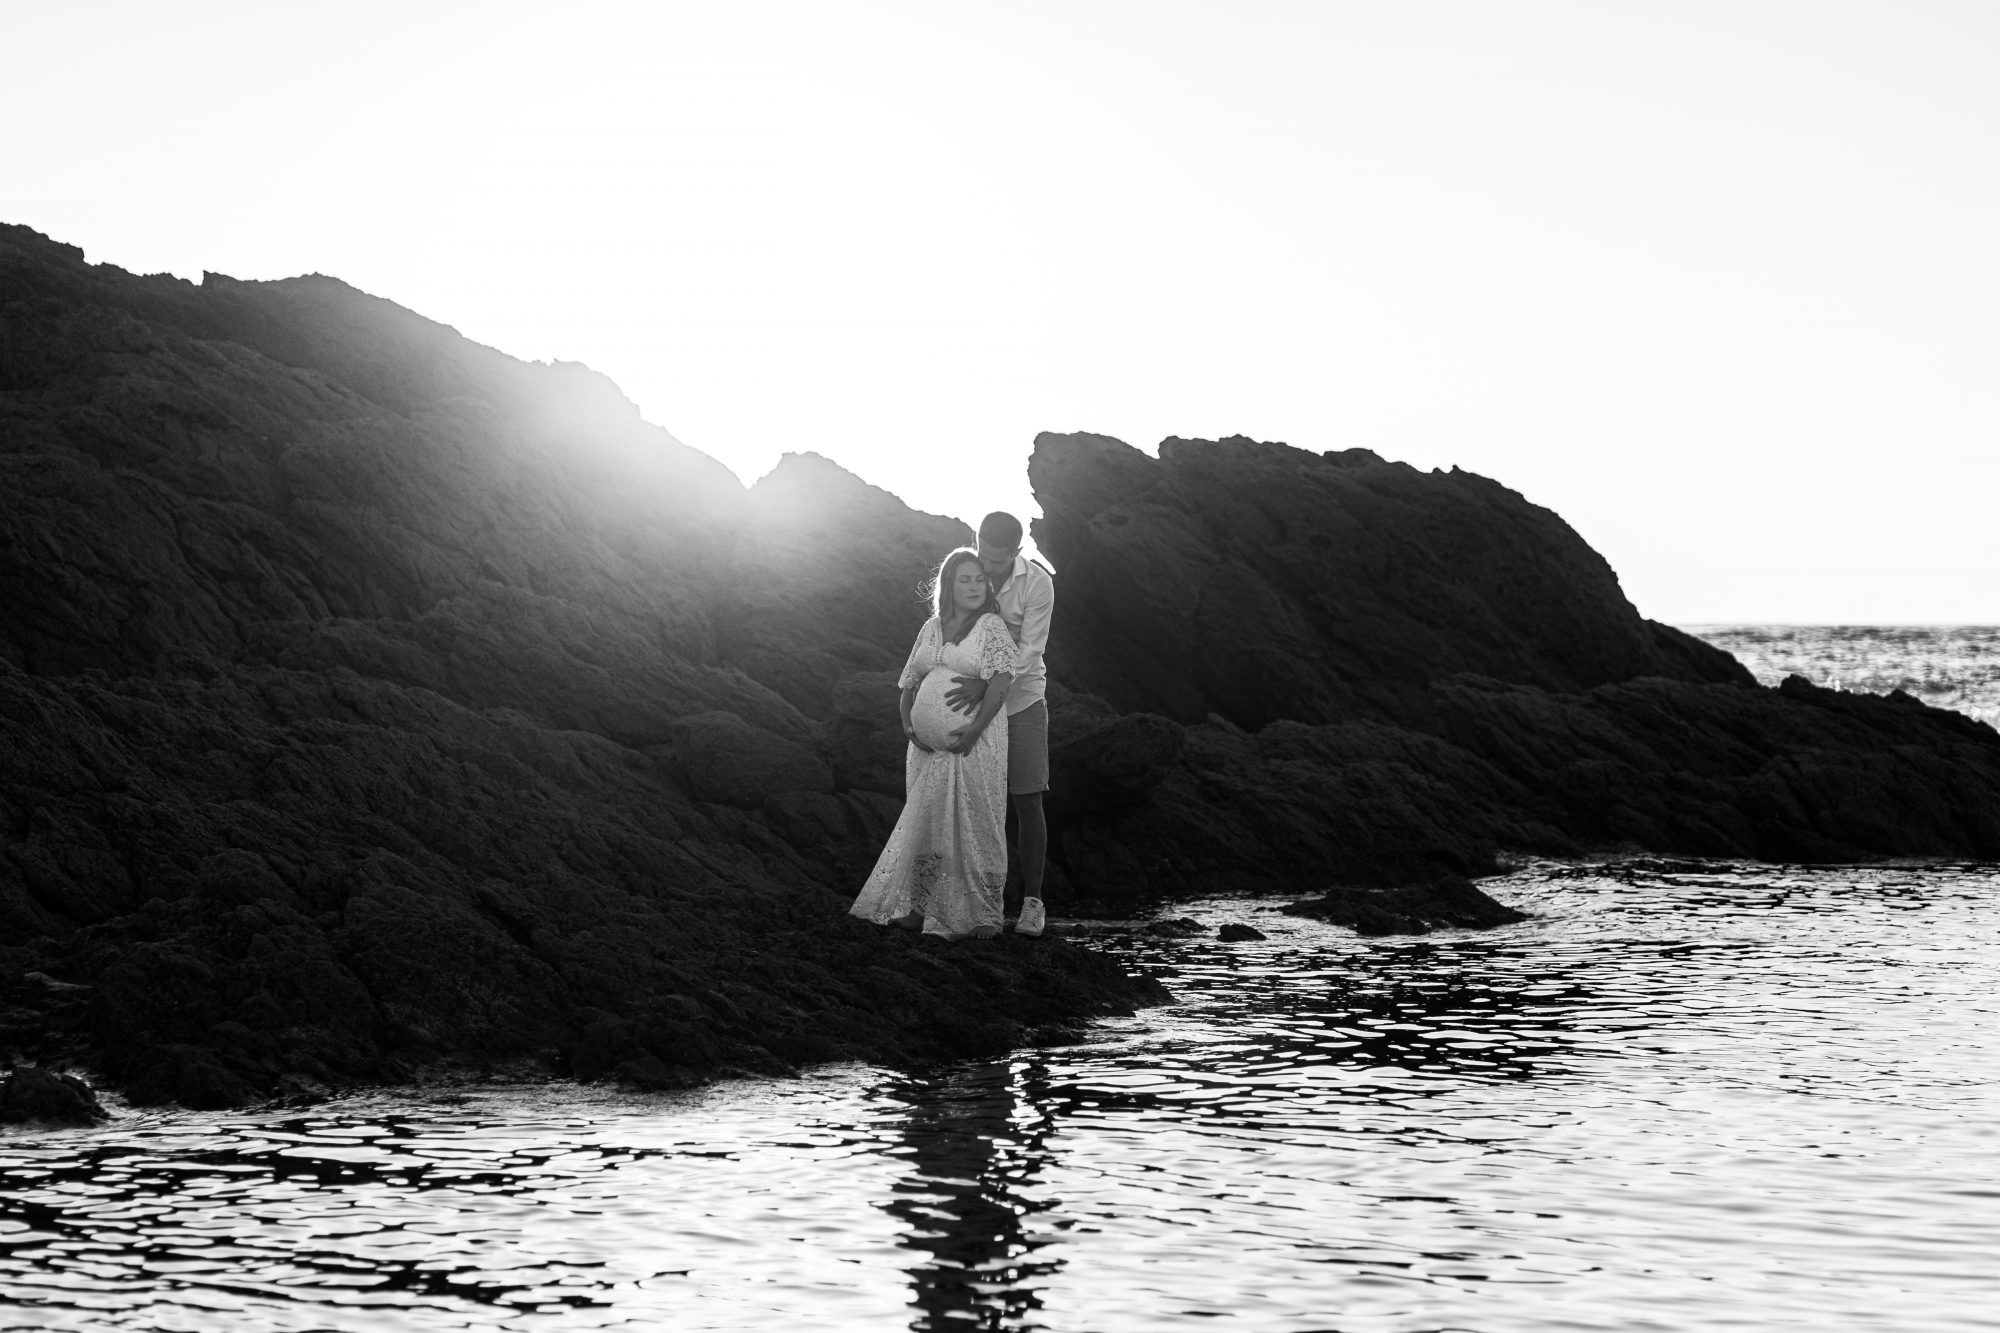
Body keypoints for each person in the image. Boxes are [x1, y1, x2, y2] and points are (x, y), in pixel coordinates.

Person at [850, 548, 1018, 940]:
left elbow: (1002, 681)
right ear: (949, 586)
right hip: (926, 751)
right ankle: (918, 909)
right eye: (965, 580)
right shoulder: (932, 627)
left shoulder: (991, 626)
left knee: (979, 822)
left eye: (980, 579)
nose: (975, 587)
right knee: (926, 826)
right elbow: (910, 679)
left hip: (976, 744)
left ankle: (985, 916)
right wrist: (908, 722)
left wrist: (974, 730)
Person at [945, 512, 1054, 937]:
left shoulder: (1038, 583)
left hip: (1023, 699)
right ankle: (967, 899)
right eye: (983, 556)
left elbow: (1031, 649)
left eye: (996, 562)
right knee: (969, 799)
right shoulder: (969, 573)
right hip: (972, 699)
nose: (986, 570)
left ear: (1017, 552)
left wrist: (988, 682)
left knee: (1028, 800)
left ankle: (1032, 904)